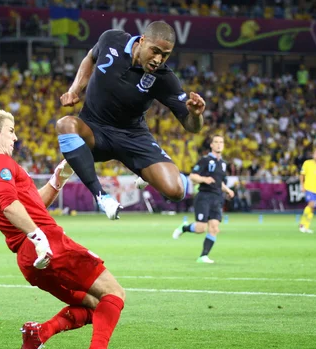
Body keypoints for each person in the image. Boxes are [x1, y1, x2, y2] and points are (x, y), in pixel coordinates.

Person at [0, 109, 131, 349]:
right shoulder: (0, 164)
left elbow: (32, 205)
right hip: (47, 245)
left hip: (29, 259)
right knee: (114, 293)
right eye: (11, 131)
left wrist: (58, 179)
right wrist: (38, 237)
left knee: (94, 305)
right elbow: (10, 206)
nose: (15, 137)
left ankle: (40, 333)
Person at [57, 21, 206, 220]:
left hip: (133, 137)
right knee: (65, 124)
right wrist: (74, 90)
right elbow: (89, 58)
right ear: (142, 41)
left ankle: (145, 174)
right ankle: (102, 197)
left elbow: (191, 126)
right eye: (155, 51)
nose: (158, 59)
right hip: (94, 131)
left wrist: (196, 115)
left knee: (176, 191)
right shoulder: (111, 39)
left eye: (165, 54)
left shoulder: (165, 78)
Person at [172, 135, 234, 263]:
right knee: (201, 228)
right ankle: (184, 228)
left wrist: (228, 190)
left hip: (217, 198)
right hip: (204, 197)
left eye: (221, 142)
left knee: (214, 228)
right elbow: (192, 176)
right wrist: (204, 179)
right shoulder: (205, 160)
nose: (219, 144)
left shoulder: (223, 164)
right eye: (216, 142)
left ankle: (203, 256)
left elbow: (218, 182)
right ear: (211, 145)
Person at [298, 147, 316, 234]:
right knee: (311, 204)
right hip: (308, 188)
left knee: (312, 209)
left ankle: (306, 227)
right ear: (313, 155)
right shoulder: (307, 163)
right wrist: (302, 186)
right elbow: (302, 175)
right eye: (315, 154)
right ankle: (301, 224)